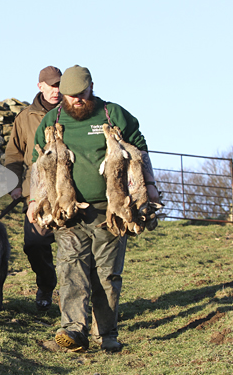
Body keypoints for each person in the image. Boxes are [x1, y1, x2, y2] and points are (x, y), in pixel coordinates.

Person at [27, 65, 160, 352]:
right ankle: (73, 331)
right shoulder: (53, 119)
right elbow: (38, 163)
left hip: (111, 212)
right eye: (70, 95)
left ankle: (107, 334)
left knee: (107, 274)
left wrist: (149, 185)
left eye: (81, 94)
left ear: (92, 88)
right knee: (70, 268)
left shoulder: (114, 114)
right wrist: (34, 200)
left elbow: (139, 149)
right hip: (67, 213)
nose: (76, 100)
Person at [4, 66, 61, 311]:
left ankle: (77, 298)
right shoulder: (25, 117)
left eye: (60, 85)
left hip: (69, 192)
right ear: (41, 86)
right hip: (36, 194)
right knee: (35, 244)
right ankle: (46, 285)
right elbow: (14, 153)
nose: (56, 90)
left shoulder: (71, 112)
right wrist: (16, 185)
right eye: (52, 85)